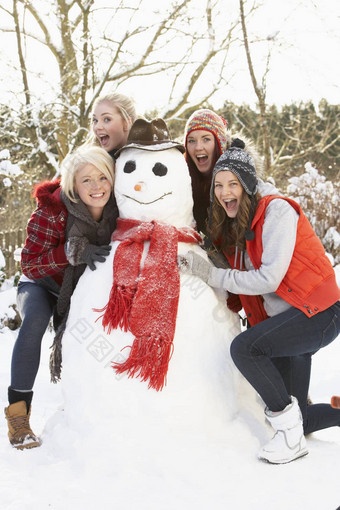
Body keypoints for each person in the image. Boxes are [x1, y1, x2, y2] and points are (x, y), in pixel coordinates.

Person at [178, 138, 340, 464]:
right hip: (286, 320)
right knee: (299, 415)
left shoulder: (276, 209)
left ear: (248, 184)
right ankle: (296, 428)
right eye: (219, 185)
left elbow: (269, 278)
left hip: (318, 312)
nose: (224, 192)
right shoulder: (240, 222)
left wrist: (211, 276)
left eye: (233, 184)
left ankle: (290, 441)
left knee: (245, 348)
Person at [5, 145, 118, 450]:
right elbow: (29, 263)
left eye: (103, 177)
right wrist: (72, 251)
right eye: (87, 181)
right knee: (36, 322)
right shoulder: (53, 210)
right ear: (72, 185)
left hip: (80, 289)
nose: (97, 187)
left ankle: (88, 408)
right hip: (41, 282)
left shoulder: (117, 211)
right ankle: (18, 417)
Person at [85, 92, 137, 159]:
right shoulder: (93, 163)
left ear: (126, 123)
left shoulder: (147, 158)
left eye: (107, 119)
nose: (97, 127)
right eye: (95, 120)